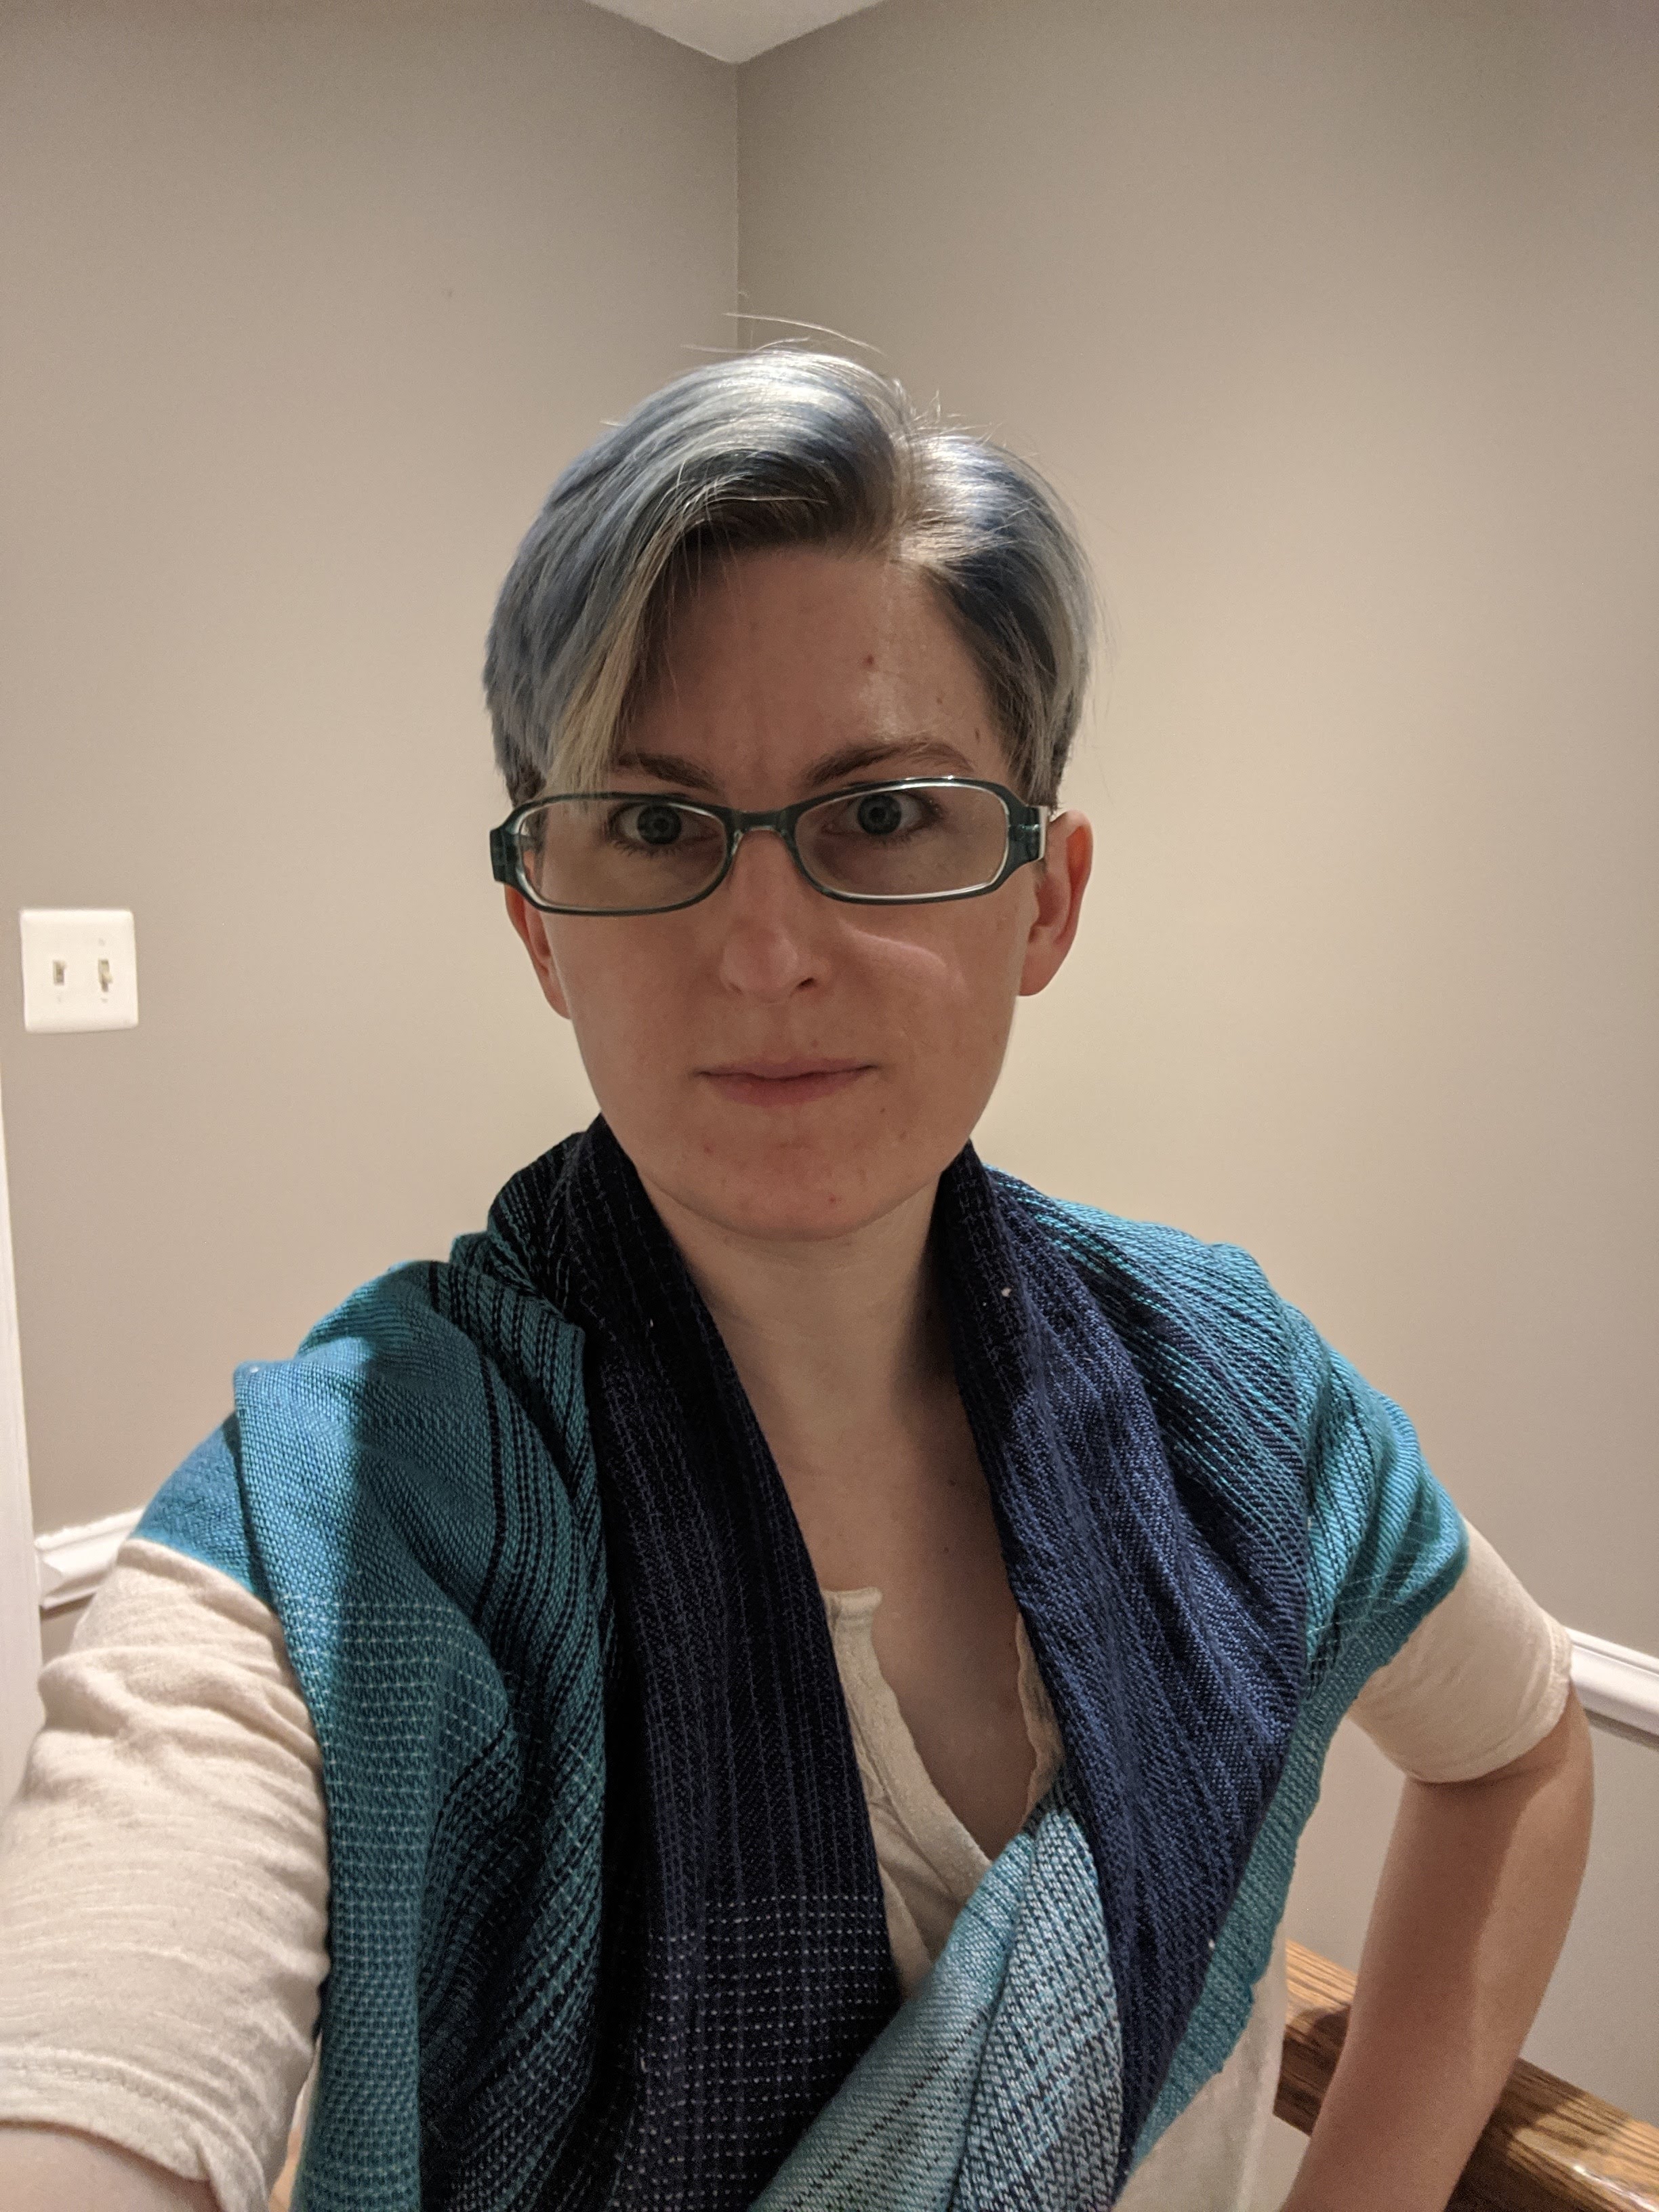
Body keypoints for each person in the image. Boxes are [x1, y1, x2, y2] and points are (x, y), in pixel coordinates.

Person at [0, 352, 1591, 2212]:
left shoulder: (1226, 1399)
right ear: (539, 926)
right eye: (655, 825)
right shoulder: (349, 1530)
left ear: (1045, 898)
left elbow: (1522, 1758)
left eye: (885, 814)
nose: (766, 954)